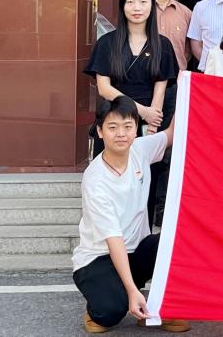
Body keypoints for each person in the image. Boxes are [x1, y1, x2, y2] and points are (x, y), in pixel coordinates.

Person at [72, 96, 190, 334]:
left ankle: (159, 309)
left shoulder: (140, 149)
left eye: (127, 126)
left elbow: (171, 134)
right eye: (112, 127)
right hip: (99, 258)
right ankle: (112, 299)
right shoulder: (95, 179)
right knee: (109, 312)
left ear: (136, 129)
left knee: (177, 242)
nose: (121, 134)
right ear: (100, 131)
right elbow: (114, 239)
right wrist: (132, 290)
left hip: (137, 251)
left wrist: (186, 92)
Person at [85, 0, 178, 173]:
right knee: (112, 176)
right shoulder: (107, 43)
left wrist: (152, 126)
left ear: (152, 6)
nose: (137, 8)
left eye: (143, 2)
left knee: (147, 180)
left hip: (150, 123)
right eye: (130, 2)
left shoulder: (163, 45)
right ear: (122, 6)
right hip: (114, 121)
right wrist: (142, 111)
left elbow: (160, 89)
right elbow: (104, 88)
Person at [147, 0, 191, 227]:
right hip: (142, 89)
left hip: (174, 89)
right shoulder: (140, 8)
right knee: (141, 146)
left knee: (168, 149)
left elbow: (188, 51)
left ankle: (162, 210)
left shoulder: (185, 13)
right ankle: (141, 207)